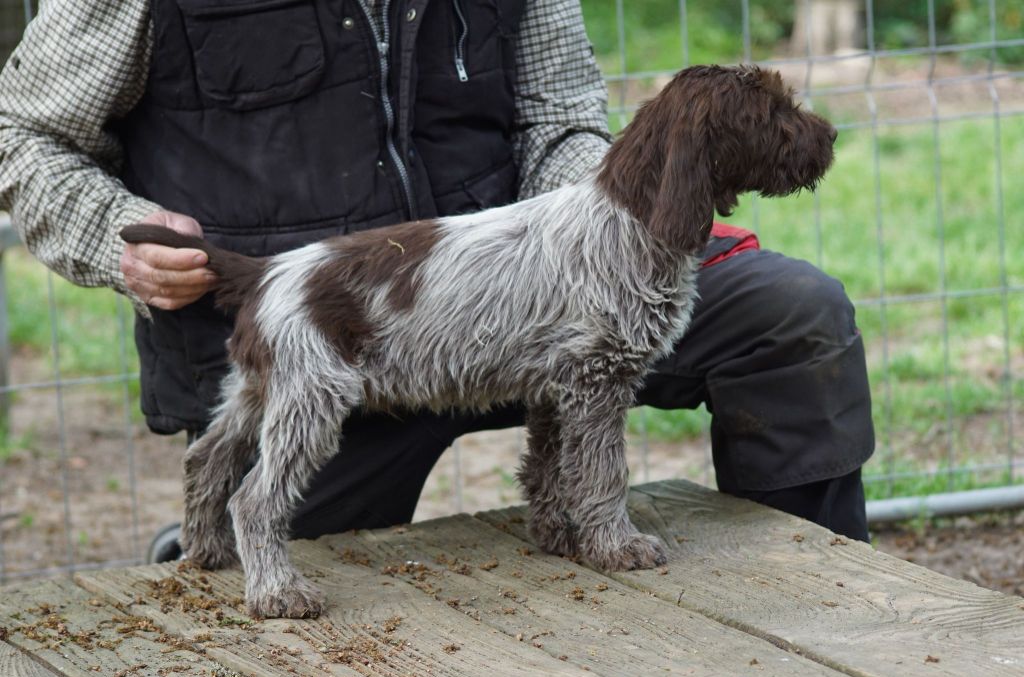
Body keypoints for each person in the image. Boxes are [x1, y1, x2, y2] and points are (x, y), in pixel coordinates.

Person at [0, 0, 874, 555]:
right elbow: (20, 132)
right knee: (279, 550)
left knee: (790, 316)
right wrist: (111, 238)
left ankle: (805, 586)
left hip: (528, 299)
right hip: (326, 338)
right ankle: (209, 537)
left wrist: (606, 238)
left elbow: (562, 120)